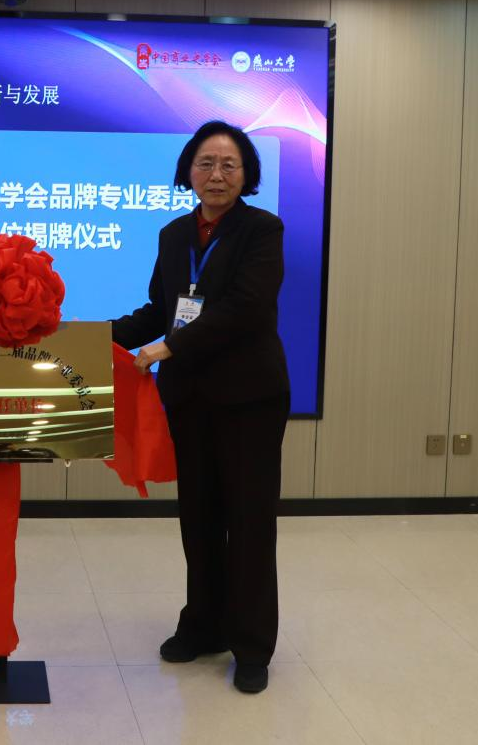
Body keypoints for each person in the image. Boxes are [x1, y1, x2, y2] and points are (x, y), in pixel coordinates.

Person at [111, 120, 289, 694]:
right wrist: (91, 337)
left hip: (249, 400)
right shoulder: (173, 235)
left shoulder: (262, 230)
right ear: (188, 170)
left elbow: (245, 308)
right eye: (206, 163)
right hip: (190, 399)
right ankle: (204, 626)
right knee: (201, 517)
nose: (217, 174)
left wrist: (171, 346)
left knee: (249, 521)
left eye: (229, 165)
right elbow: (159, 309)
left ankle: (252, 645)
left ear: (247, 174)